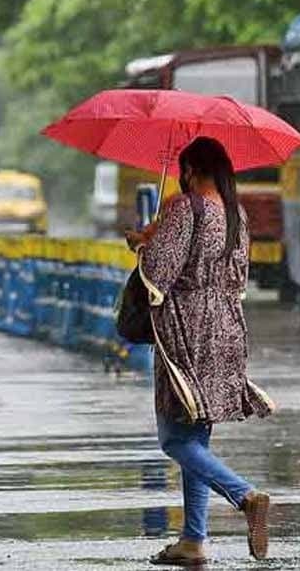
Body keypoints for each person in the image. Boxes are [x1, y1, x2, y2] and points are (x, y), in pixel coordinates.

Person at [125, 137, 275, 566]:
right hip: (226, 327)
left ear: (190, 169)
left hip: (186, 329)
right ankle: (193, 539)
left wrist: (143, 242)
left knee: (173, 438)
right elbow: (239, 275)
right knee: (195, 436)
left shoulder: (183, 207)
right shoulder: (235, 214)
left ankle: (245, 496)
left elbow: (158, 274)